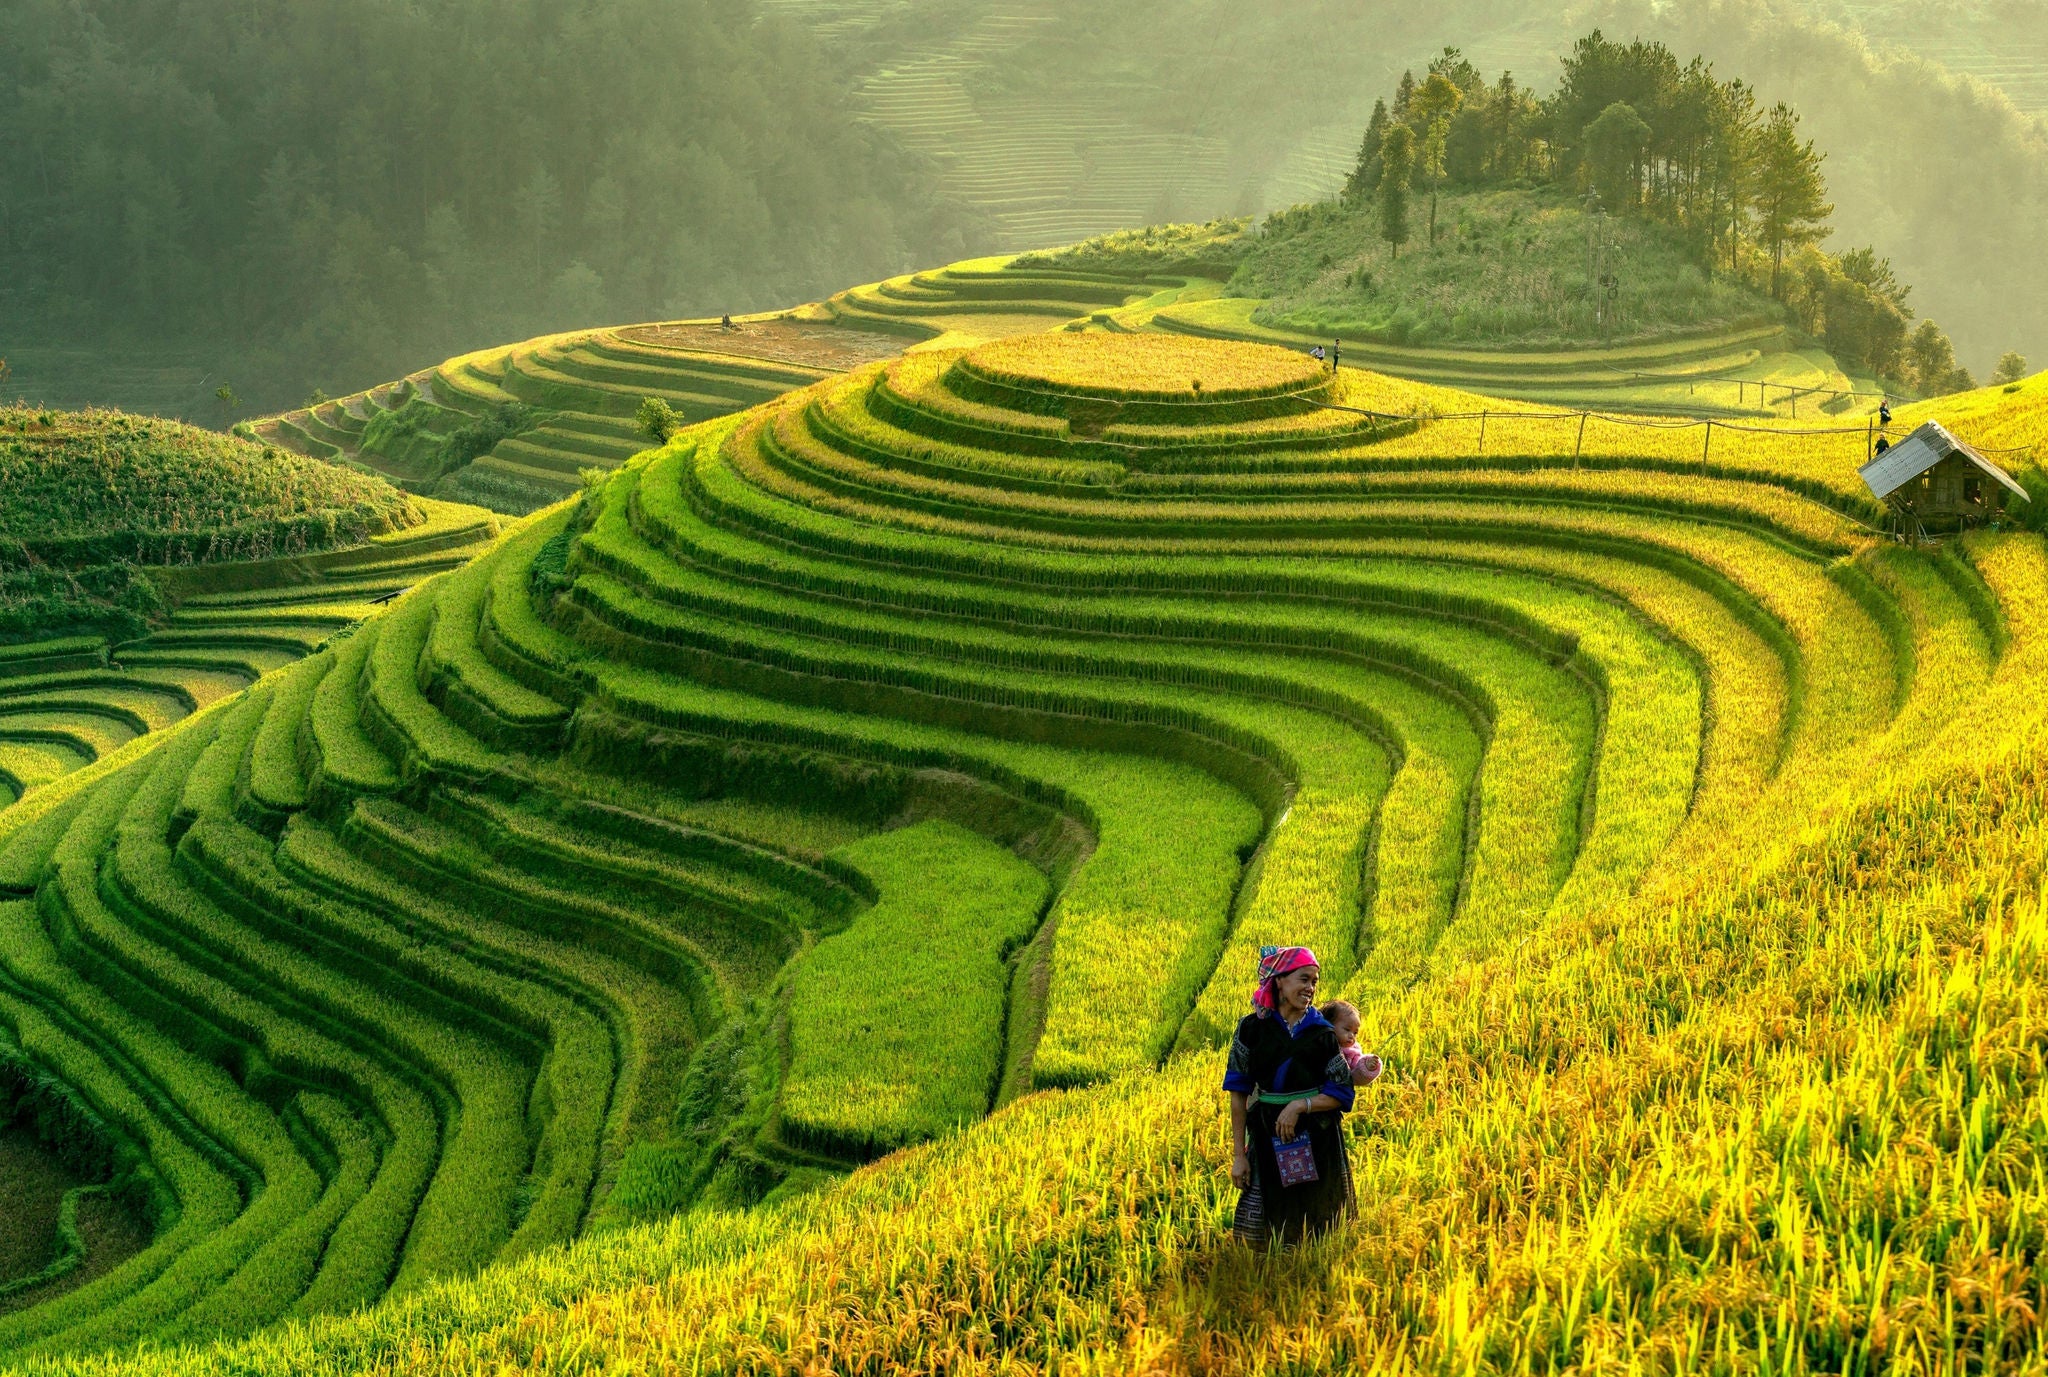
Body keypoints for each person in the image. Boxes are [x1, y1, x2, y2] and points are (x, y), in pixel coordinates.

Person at [1222, 946, 1356, 1248]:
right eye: (1303, 979)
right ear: (1279, 980)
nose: (1310, 988)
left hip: (1318, 1133)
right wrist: (1239, 1156)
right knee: (1265, 1234)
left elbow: (1342, 1091)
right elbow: (1237, 1096)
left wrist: (1300, 1105)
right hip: (1268, 1136)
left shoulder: (1321, 1033)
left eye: (1314, 982)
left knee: (1321, 1224)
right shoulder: (1250, 1030)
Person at [1319, 999, 1384, 1086]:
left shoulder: (1352, 1052)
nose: (1351, 1036)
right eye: (1347, 1029)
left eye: (1355, 1033)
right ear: (1328, 1024)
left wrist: (1367, 1066)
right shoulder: (1319, 1042)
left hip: (1335, 1091)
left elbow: (1355, 1077)